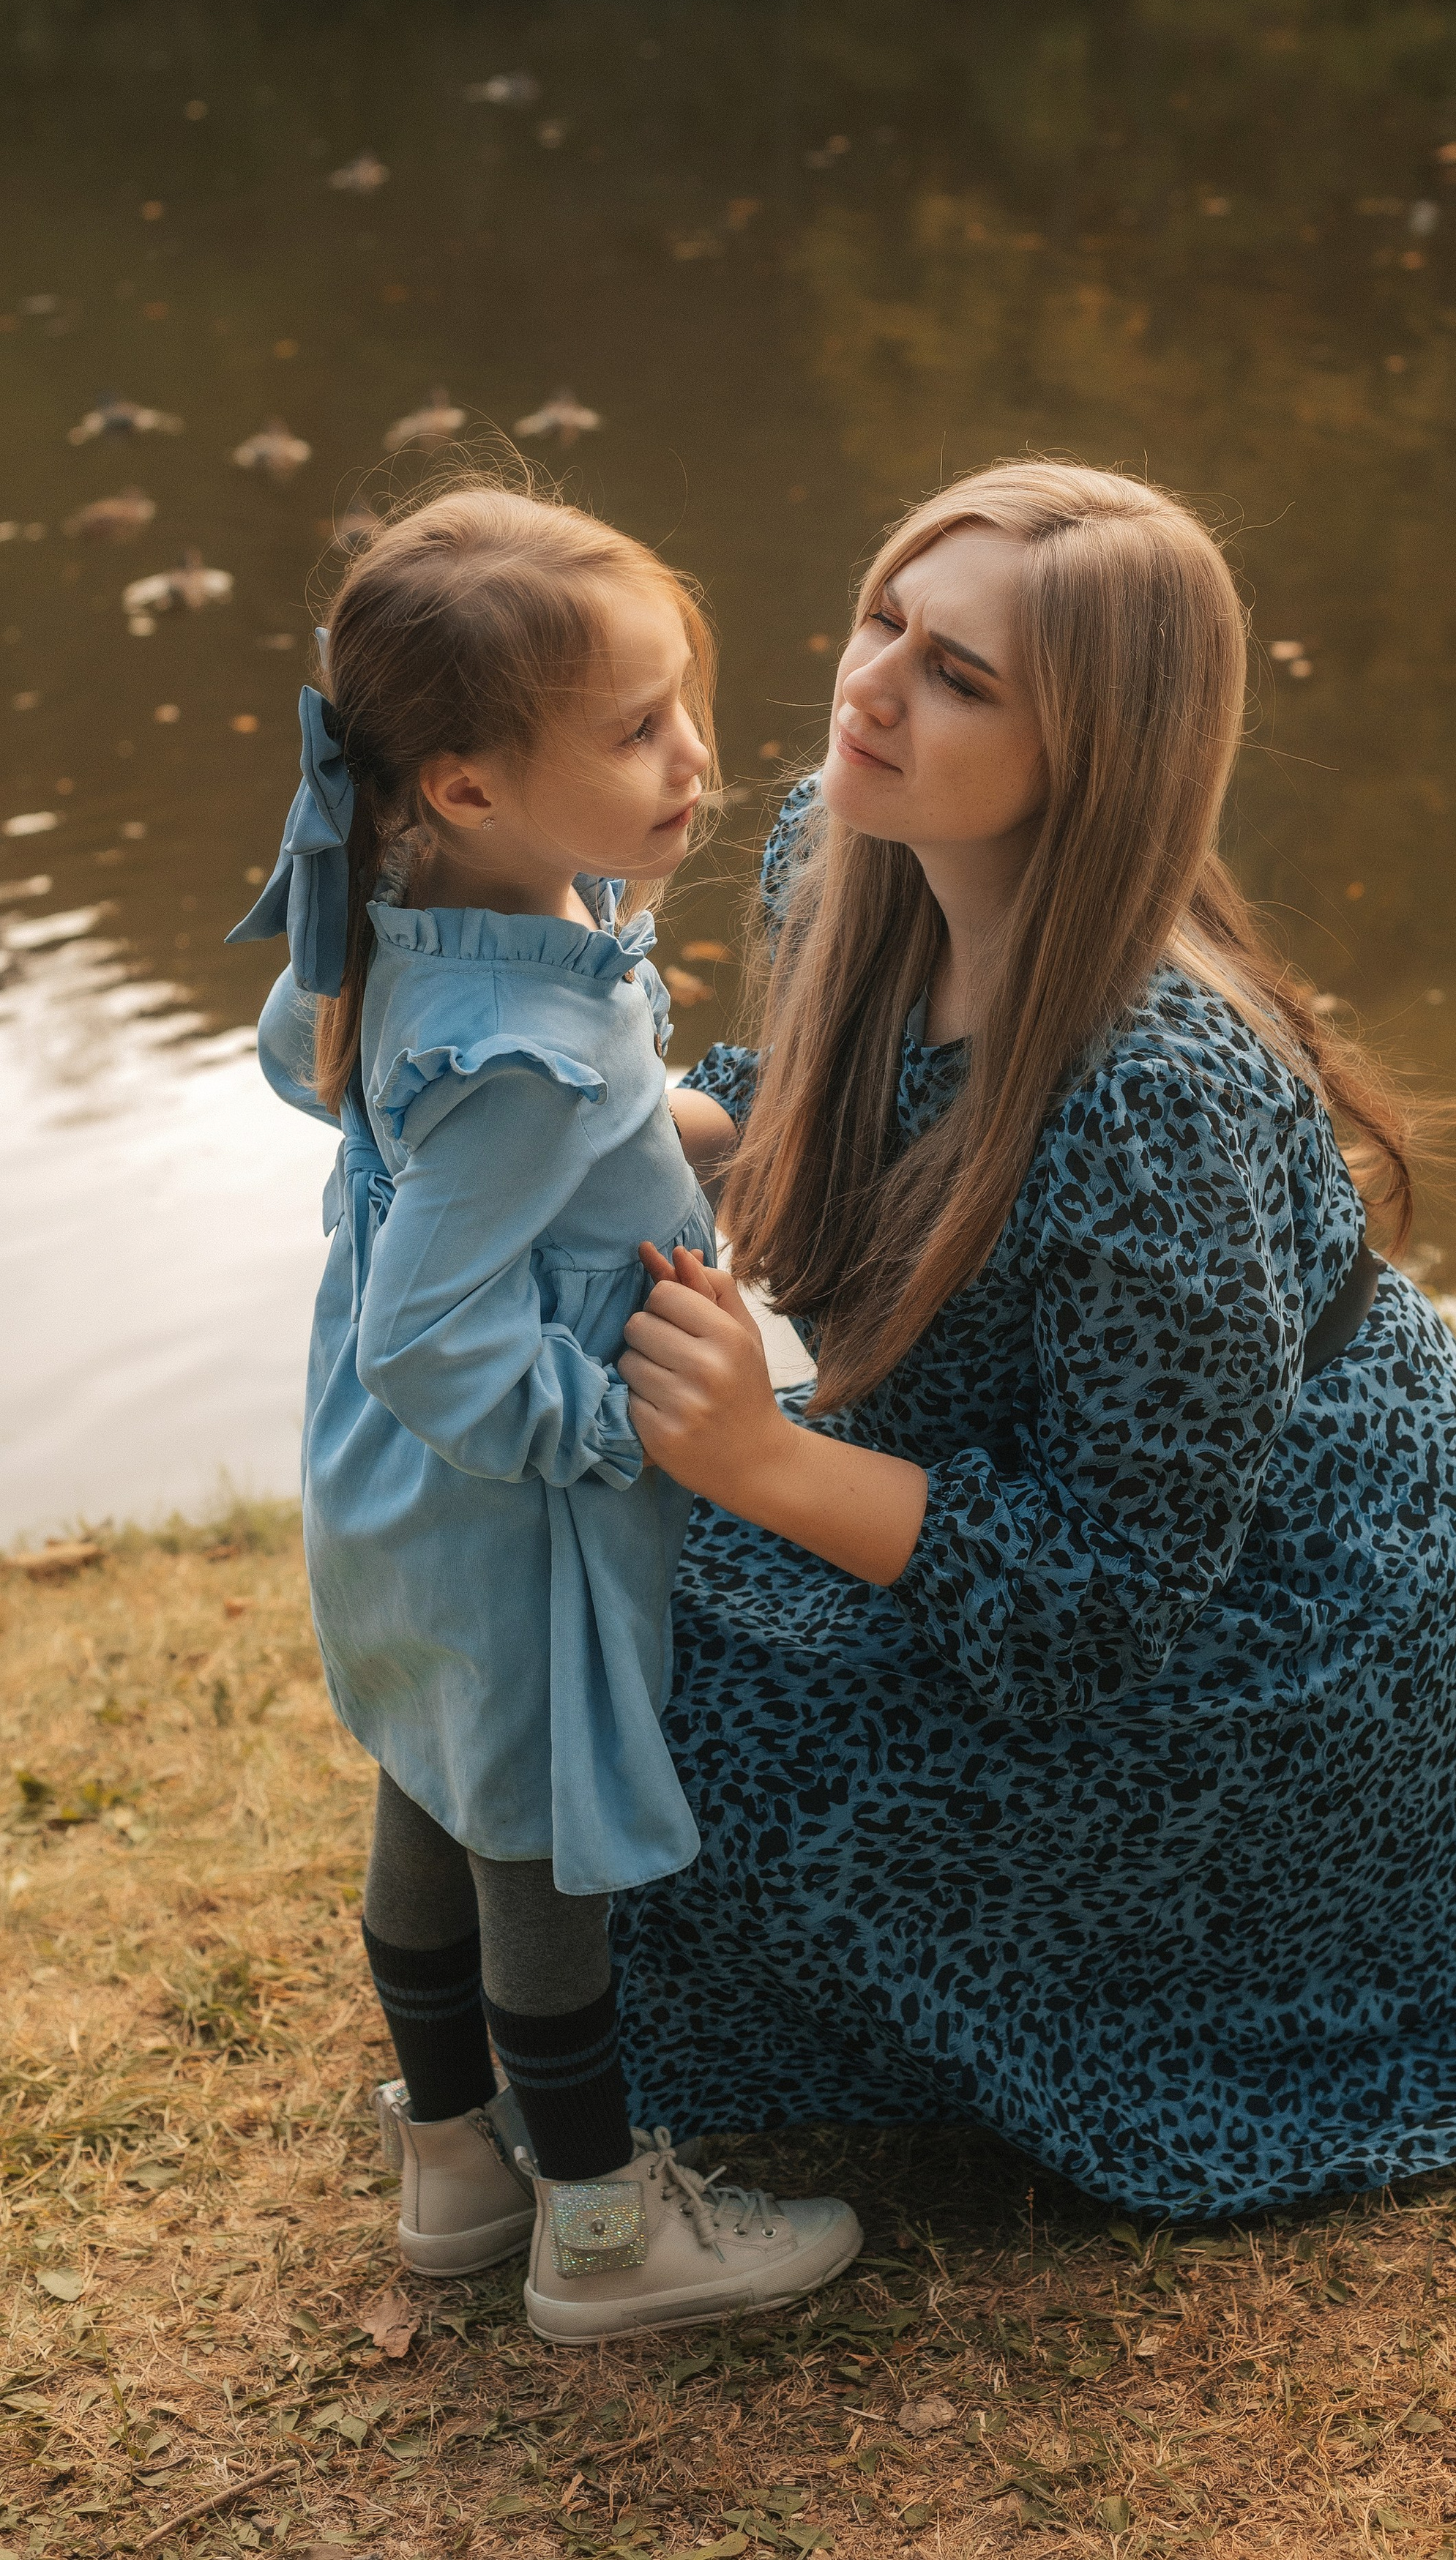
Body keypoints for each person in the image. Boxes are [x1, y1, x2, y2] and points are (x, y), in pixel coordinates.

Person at [616, 458, 1456, 2220]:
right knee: (602, 1604)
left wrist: (762, 1458)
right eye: (883, 616)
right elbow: (856, 1117)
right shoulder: (840, 850)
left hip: (1272, 1607)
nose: (872, 684)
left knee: (704, 1722)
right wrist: (596, 1106)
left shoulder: (1154, 1090)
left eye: (959, 675)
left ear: (1097, 754)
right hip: (1006, 1482)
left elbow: (1109, 1591)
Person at [230, 483, 859, 2340]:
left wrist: (658, 1122)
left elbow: (311, 1058)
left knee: (431, 1780)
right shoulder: (526, 1044)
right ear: (468, 784)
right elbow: (438, 1335)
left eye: (685, 704)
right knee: (542, 1838)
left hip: (383, 1493)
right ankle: (596, 2227)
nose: (695, 757)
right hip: (506, 1502)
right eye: (637, 731)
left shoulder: (429, 918)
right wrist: (621, 1423)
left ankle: (451, 2164)